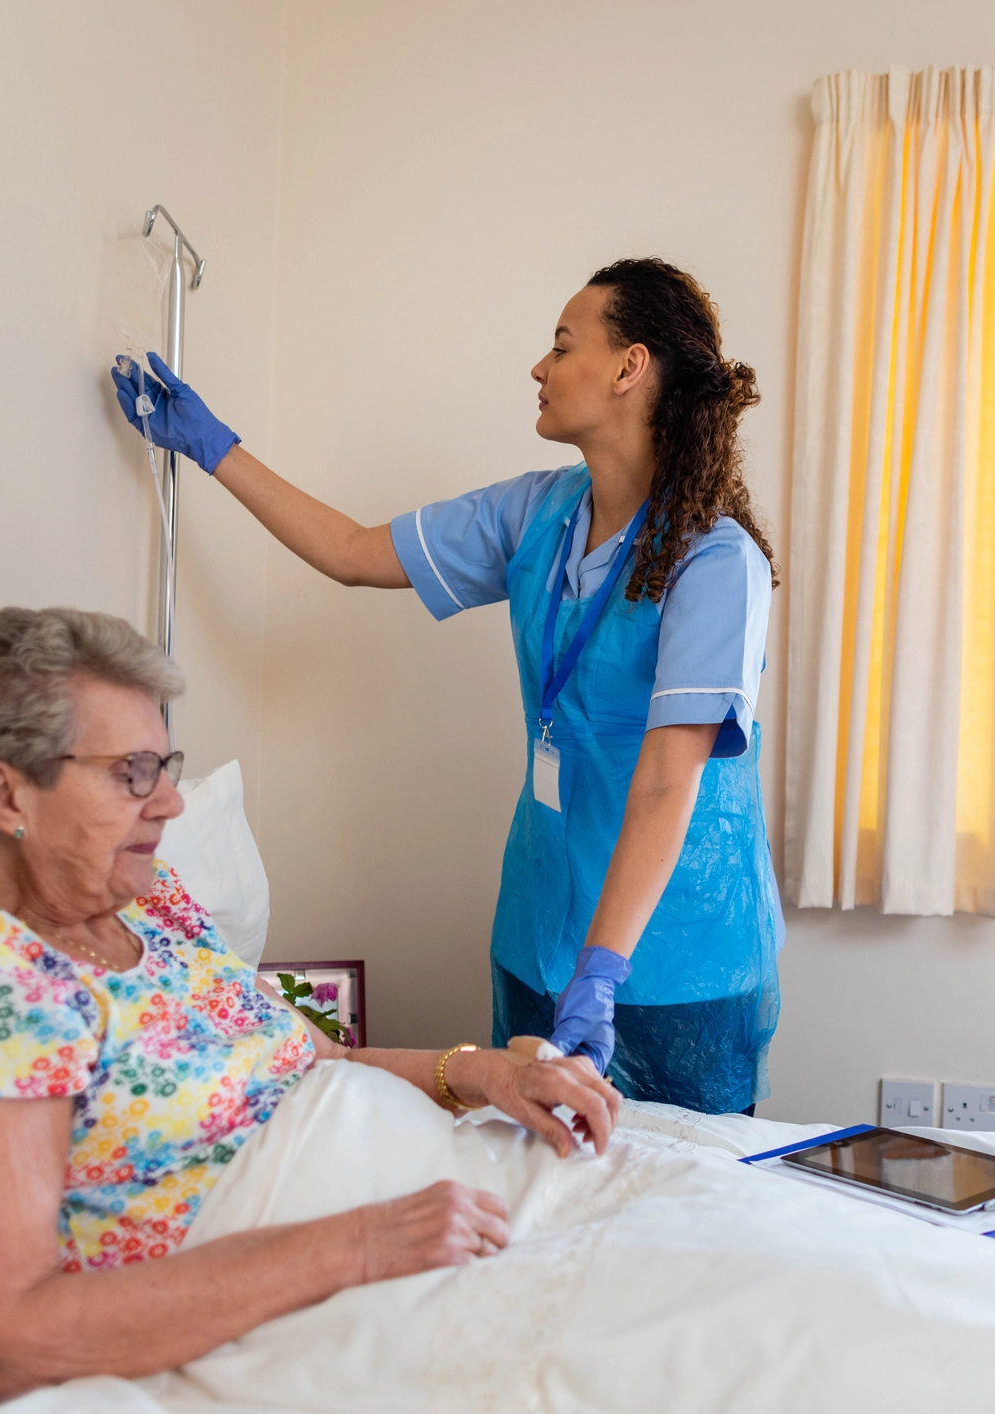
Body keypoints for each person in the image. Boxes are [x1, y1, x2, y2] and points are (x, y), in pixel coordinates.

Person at [0, 608, 620, 1397]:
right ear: (5, 794)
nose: (169, 804)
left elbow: (325, 1062)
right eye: (132, 772)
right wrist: (361, 1245)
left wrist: (484, 1074)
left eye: (165, 767)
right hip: (336, 1268)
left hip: (436, 1190)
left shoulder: (148, 902)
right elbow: (6, 1340)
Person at [108, 259, 782, 1115]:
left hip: (677, 954)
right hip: (538, 934)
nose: (538, 367)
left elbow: (665, 780)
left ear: (629, 367)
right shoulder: (536, 515)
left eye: (561, 345)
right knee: (540, 1191)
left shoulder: (718, 562)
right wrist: (211, 446)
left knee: (684, 1207)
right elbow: (352, 552)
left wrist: (603, 971)